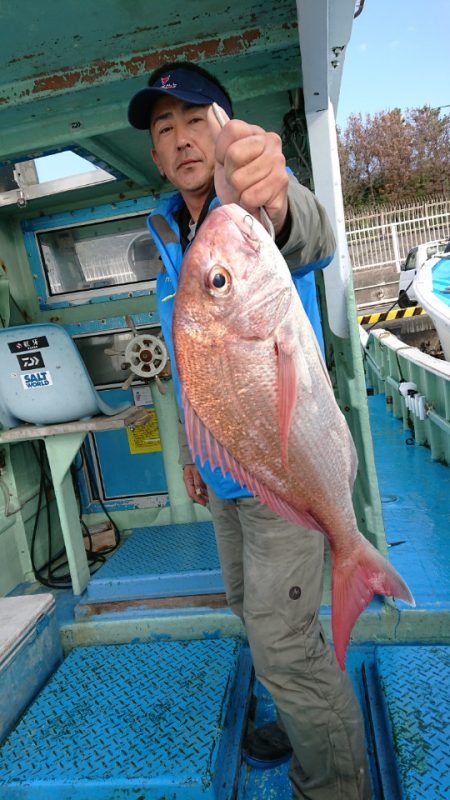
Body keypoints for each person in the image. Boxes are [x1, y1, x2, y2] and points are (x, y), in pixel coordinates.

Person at [128, 61, 372, 800]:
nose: (181, 138)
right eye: (164, 128)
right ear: (155, 155)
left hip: (284, 475)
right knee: (253, 615)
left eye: (195, 119)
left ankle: (334, 784)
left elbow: (310, 235)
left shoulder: (248, 212)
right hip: (227, 475)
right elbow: (194, 368)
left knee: (287, 645)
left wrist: (278, 193)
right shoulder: (169, 234)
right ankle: (298, 718)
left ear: (225, 129)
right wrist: (193, 456)